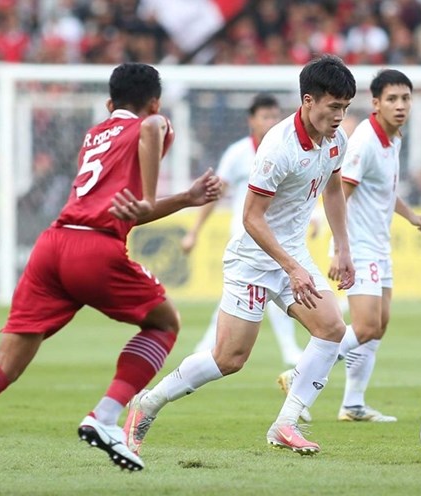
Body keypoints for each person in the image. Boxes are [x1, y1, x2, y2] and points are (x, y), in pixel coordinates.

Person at [0, 62, 222, 495]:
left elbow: (118, 203)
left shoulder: (94, 136)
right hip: (94, 247)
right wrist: (162, 197)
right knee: (165, 323)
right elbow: (152, 130)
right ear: (154, 102)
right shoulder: (152, 123)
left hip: (52, 245)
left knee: (4, 364)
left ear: (108, 105)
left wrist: (176, 199)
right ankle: (105, 417)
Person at [121, 54, 357, 457]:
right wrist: (291, 267)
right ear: (308, 100)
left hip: (291, 255)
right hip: (253, 260)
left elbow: (333, 191)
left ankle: (285, 424)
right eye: (333, 106)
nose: (340, 116)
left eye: (345, 108)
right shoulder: (277, 149)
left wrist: (342, 247)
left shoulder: (336, 140)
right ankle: (148, 403)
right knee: (229, 358)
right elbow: (251, 218)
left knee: (332, 329)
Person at [281, 69, 421, 423]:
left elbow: (384, 190)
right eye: (392, 99)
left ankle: (352, 404)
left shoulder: (393, 139)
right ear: (376, 103)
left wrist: (411, 216)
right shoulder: (364, 141)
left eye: (406, 98)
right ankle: (299, 375)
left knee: (377, 327)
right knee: (364, 326)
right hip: (359, 246)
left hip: (379, 245)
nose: (400, 105)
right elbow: (339, 194)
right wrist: (339, 250)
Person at [181, 93, 304, 366]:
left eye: (275, 116)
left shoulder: (288, 149)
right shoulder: (237, 154)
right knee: (259, 293)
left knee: (268, 292)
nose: (271, 121)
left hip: (278, 236)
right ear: (252, 120)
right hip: (247, 237)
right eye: (265, 116)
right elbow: (215, 194)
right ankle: (286, 350)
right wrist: (194, 231)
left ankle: (206, 348)